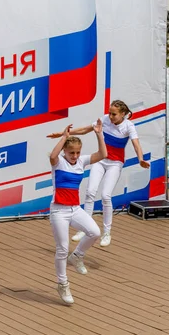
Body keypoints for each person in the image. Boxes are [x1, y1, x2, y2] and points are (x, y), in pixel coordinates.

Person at [48, 100, 150, 247]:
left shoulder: (129, 126)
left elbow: (136, 144)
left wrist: (141, 159)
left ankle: (107, 232)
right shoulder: (104, 120)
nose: (110, 116)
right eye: (109, 112)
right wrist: (62, 134)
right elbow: (84, 130)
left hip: (115, 163)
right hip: (100, 160)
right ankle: (84, 228)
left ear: (123, 114)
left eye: (114, 114)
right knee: (90, 192)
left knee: (105, 196)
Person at [49, 121, 107, 304]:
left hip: (75, 209)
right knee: (62, 249)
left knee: (95, 232)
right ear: (65, 152)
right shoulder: (58, 163)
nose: (75, 156)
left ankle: (77, 256)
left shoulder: (81, 161)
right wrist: (64, 137)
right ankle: (63, 283)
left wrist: (98, 133)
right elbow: (52, 155)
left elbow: (103, 154)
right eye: (71, 152)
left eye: (77, 152)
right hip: (59, 211)